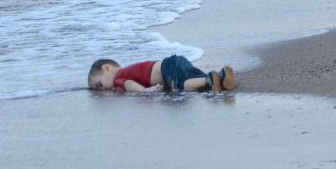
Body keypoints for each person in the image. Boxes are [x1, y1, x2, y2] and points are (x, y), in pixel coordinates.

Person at [87, 55, 235, 93]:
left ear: (107, 68)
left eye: (99, 85)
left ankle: (209, 80)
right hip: (174, 61)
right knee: (195, 78)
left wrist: (144, 91)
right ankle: (220, 77)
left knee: (180, 85)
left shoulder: (119, 77)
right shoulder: (128, 71)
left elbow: (128, 84)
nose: (102, 89)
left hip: (166, 68)